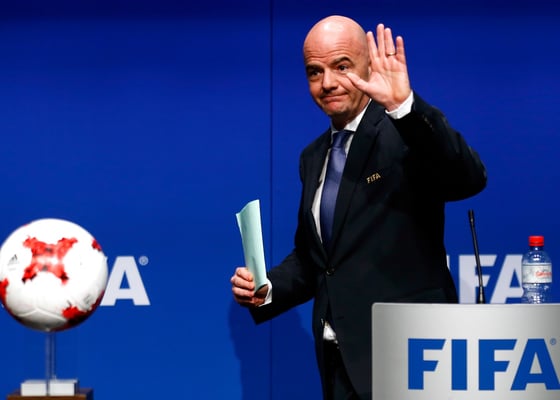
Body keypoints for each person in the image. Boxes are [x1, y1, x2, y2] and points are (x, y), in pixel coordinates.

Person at [230, 15, 486, 400]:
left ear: (368, 65)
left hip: (411, 356)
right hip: (339, 363)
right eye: (314, 72)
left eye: (342, 66)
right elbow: (317, 260)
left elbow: (468, 178)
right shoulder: (313, 156)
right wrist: (265, 288)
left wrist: (403, 106)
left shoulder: (404, 132)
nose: (327, 82)